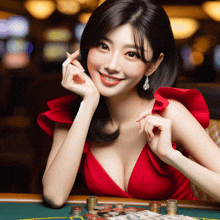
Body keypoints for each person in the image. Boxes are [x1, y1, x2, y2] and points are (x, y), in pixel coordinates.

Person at [37, 0, 220, 208]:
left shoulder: (170, 113)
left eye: (131, 54)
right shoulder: (73, 114)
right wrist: (88, 104)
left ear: (153, 65)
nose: (111, 65)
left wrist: (173, 156)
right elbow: (54, 195)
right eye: (103, 46)